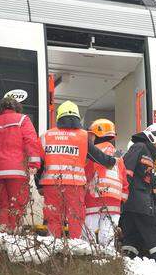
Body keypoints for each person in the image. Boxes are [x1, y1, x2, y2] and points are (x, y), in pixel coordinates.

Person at [39, 101, 116, 239]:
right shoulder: (82, 136)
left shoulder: (46, 136)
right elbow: (97, 156)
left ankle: (52, 247)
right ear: (77, 117)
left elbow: (39, 162)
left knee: (53, 217)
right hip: (74, 187)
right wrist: (112, 160)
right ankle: (76, 250)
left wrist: (39, 184)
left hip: (51, 186)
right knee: (76, 218)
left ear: (59, 117)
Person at [120, 124, 156, 266]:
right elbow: (126, 173)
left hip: (133, 205)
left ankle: (126, 266)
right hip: (140, 205)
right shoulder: (140, 147)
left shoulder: (148, 156)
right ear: (152, 136)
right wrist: (123, 196)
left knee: (132, 239)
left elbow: (152, 187)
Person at [0, 96, 42, 232]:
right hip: (17, 170)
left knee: (2, 204)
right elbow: (31, 141)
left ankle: (1, 232)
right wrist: (34, 164)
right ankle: (13, 233)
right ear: (16, 108)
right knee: (17, 204)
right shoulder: (22, 119)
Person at [84, 118, 129, 249]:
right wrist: (122, 200)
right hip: (114, 201)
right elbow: (124, 181)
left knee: (88, 233)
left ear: (96, 135)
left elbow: (87, 174)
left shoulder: (94, 152)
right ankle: (107, 261)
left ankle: (87, 259)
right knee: (107, 235)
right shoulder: (118, 156)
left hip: (94, 197)